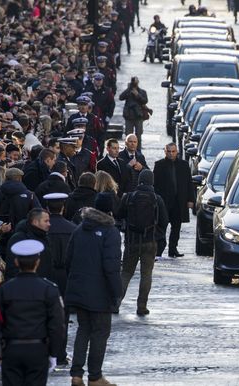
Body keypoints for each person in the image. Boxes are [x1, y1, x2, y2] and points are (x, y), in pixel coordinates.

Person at [0, 239, 64, 386]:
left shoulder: (4, 289)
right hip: (38, 350)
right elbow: (57, 325)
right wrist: (54, 353)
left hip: (11, 349)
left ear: (16, 262)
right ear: (37, 262)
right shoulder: (49, 289)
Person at [65, 197, 122, 386]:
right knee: (99, 333)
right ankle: (95, 376)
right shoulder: (111, 232)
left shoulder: (80, 229)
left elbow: (68, 259)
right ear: (110, 211)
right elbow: (111, 267)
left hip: (79, 289)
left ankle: (76, 374)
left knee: (83, 330)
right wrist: (117, 293)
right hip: (100, 293)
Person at [117, 170, 168, 315]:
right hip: (149, 242)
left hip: (131, 241)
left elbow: (119, 214)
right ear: (152, 181)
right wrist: (156, 236)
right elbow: (164, 221)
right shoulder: (157, 199)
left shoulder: (129, 197)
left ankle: (116, 303)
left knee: (126, 273)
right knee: (146, 275)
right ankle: (141, 306)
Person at [43, 192, 77, 366]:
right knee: (62, 317)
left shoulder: (44, 229)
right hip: (65, 276)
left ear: (48, 208)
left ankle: (46, 351)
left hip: (46, 274)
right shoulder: (72, 228)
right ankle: (60, 353)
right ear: (63, 208)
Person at [153, 143, 195, 258]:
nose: (171, 154)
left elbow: (189, 183)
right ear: (165, 151)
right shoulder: (159, 165)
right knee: (161, 226)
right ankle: (159, 249)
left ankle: (173, 249)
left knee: (176, 227)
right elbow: (155, 185)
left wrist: (191, 199)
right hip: (164, 202)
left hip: (179, 202)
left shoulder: (184, 165)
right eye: (169, 151)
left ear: (177, 152)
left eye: (173, 151)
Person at [119, 77, 148, 150]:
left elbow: (145, 101)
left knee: (138, 135)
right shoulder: (128, 91)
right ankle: (128, 150)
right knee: (128, 135)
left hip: (138, 116)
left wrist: (137, 95)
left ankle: (138, 150)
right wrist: (128, 89)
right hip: (129, 116)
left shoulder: (142, 92)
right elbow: (121, 97)